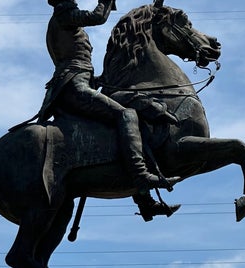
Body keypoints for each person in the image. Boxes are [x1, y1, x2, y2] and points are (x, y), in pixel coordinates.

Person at [38, 0, 179, 220]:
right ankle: (141, 176)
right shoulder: (64, 16)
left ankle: (144, 200)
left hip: (80, 82)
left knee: (122, 123)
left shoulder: (64, 20)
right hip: (73, 86)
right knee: (126, 114)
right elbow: (97, 17)